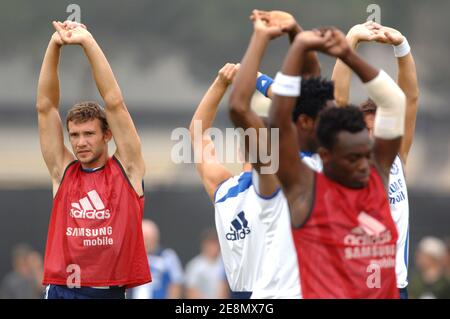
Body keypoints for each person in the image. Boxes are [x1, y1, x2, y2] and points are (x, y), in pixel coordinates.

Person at [269, 26, 406, 298]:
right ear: (325, 155)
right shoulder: (307, 190)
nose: (364, 165)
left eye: (367, 154)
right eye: (353, 158)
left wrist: (348, 53)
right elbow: (279, 124)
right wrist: (297, 48)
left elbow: (395, 102)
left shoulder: (377, 179)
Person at [36, 21, 150, 299]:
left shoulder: (127, 169)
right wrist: (54, 44)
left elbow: (114, 103)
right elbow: (45, 107)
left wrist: (87, 42)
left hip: (106, 292)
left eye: (89, 134)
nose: (80, 142)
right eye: (74, 135)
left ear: (107, 135)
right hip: (62, 289)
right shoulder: (63, 171)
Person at [228, 9, 328, 299]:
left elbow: (312, 86)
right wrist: (260, 38)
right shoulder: (275, 171)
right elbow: (238, 108)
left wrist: (296, 32)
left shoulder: (324, 159)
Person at [331, 21, 419, 298]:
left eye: (378, 130)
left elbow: (410, 99)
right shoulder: (347, 164)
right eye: (365, 131)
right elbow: (337, 100)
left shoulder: (396, 158)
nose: (372, 138)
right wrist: (351, 40)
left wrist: (401, 46)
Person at [128, 219, 184, 299]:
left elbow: (176, 283)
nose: (146, 242)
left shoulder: (167, 256)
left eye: (148, 238)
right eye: (143, 237)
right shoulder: (128, 257)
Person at [184, 229, 229, 299]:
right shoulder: (194, 265)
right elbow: (190, 292)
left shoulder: (225, 264)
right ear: (204, 245)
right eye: (211, 243)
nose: (214, 247)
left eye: (216, 243)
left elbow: (225, 291)